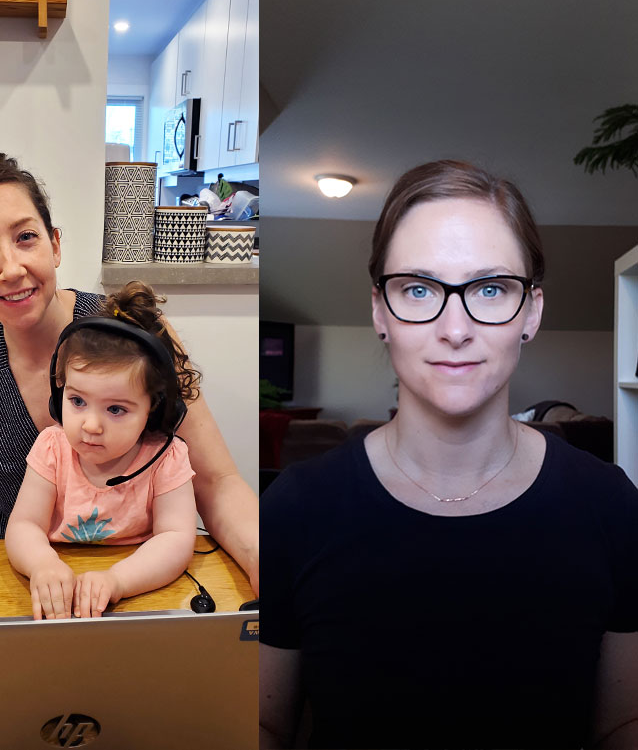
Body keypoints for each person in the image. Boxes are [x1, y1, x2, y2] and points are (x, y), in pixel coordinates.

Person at [259, 160, 638, 749]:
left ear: (531, 311)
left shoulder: (610, 505)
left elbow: (622, 725)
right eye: (418, 288)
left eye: (490, 288)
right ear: (381, 312)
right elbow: (264, 726)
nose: (455, 327)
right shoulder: (295, 508)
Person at [0, 152, 258, 597]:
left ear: (54, 245)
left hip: (133, 573)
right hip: (8, 565)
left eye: (26, 237)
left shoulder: (134, 331)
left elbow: (216, 480)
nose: (11, 268)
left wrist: (256, 553)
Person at [4, 281, 198, 620]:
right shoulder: (53, 448)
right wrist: (42, 565)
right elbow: (23, 526)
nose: (90, 425)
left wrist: (118, 580)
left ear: (153, 409)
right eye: (77, 401)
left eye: (116, 409)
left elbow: (176, 539)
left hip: (139, 592)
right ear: (58, 393)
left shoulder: (167, 458)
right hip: (57, 590)